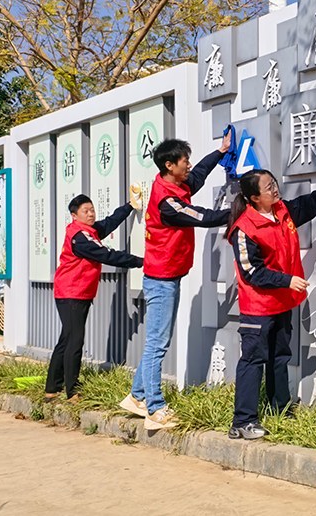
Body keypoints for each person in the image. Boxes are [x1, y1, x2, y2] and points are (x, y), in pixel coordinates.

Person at [225, 167, 316, 440]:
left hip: (282, 302)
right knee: (253, 360)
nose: (275, 189)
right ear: (254, 198)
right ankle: (243, 421)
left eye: (274, 183)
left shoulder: (282, 211)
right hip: (258, 308)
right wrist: (287, 280)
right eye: (268, 187)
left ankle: (280, 408)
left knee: (279, 357)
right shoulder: (243, 229)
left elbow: (312, 203)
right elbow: (251, 272)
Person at [120, 134, 232, 431]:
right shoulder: (167, 201)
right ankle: (155, 409)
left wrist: (220, 152)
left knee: (157, 341)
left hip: (168, 275)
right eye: (184, 161)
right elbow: (201, 217)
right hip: (161, 279)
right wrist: (238, 212)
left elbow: (198, 176)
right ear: (169, 165)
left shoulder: (176, 184)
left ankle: (137, 397)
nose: (189, 165)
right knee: (157, 344)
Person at [45, 194, 143, 402]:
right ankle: (72, 391)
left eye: (92, 210)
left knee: (66, 339)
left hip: (75, 292)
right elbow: (107, 255)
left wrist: (129, 206)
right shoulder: (80, 237)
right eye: (85, 211)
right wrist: (140, 261)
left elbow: (109, 223)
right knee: (75, 340)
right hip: (71, 293)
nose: (90, 214)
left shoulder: (88, 231)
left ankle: (52, 388)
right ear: (74, 215)